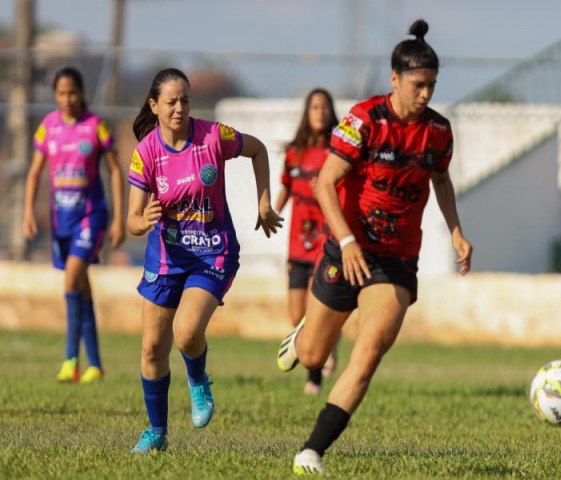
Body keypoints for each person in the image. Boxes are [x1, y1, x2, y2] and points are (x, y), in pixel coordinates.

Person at [276, 19, 473, 474]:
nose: (426, 94)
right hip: (347, 249)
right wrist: (345, 241)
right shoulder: (364, 121)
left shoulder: (438, 133)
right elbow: (325, 183)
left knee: (368, 352)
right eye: (418, 85)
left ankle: (312, 451)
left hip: (397, 260)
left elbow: (441, 179)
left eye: (432, 86)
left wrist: (457, 230)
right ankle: (303, 335)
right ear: (395, 79)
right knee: (311, 356)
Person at [127, 68, 283, 454]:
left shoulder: (214, 136)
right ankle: (157, 432)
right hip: (166, 258)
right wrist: (141, 220)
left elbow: (259, 149)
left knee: (187, 332)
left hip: (212, 253)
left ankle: (198, 382)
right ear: (154, 106)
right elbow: (131, 221)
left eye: (185, 100)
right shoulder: (146, 151)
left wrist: (264, 203)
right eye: (171, 102)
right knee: (151, 349)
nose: (180, 108)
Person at [22, 66, 125, 384]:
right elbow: (35, 171)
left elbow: (116, 171)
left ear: (81, 93)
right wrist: (28, 211)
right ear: (55, 95)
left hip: (90, 217)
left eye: (73, 93)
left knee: (70, 281)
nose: (68, 99)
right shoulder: (47, 128)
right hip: (61, 220)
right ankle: (95, 364)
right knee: (82, 287)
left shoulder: (96, 127)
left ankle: (71, 360)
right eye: (62, 94)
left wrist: (119, 218)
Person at [274, 88, 339, 395]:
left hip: (324, 244)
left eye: (325, 107)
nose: (320, 112)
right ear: (307, 111)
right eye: (315, 106)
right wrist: (271, 212)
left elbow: (345, 191)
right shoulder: (294, 152)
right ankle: (329, 344)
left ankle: (313, 377)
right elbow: (286, 187)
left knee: (316, 313)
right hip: (297, 245)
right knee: (296, 317)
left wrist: (326, 188)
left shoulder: (337, 151)